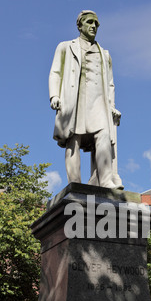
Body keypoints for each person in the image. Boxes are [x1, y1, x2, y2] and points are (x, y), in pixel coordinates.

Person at [49, 10, 123, 189]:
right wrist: (55, 95)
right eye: (89, 22)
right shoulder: (66, 47)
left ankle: (105, 180)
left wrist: (112, 106)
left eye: (96, 24)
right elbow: (55, 72)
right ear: (79, 25)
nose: (93, 26)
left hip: (99, 102)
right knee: (73, 138)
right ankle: (75, 184)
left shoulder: (104, 54)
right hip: (74, 100)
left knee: (104, 135)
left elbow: (110, 84)